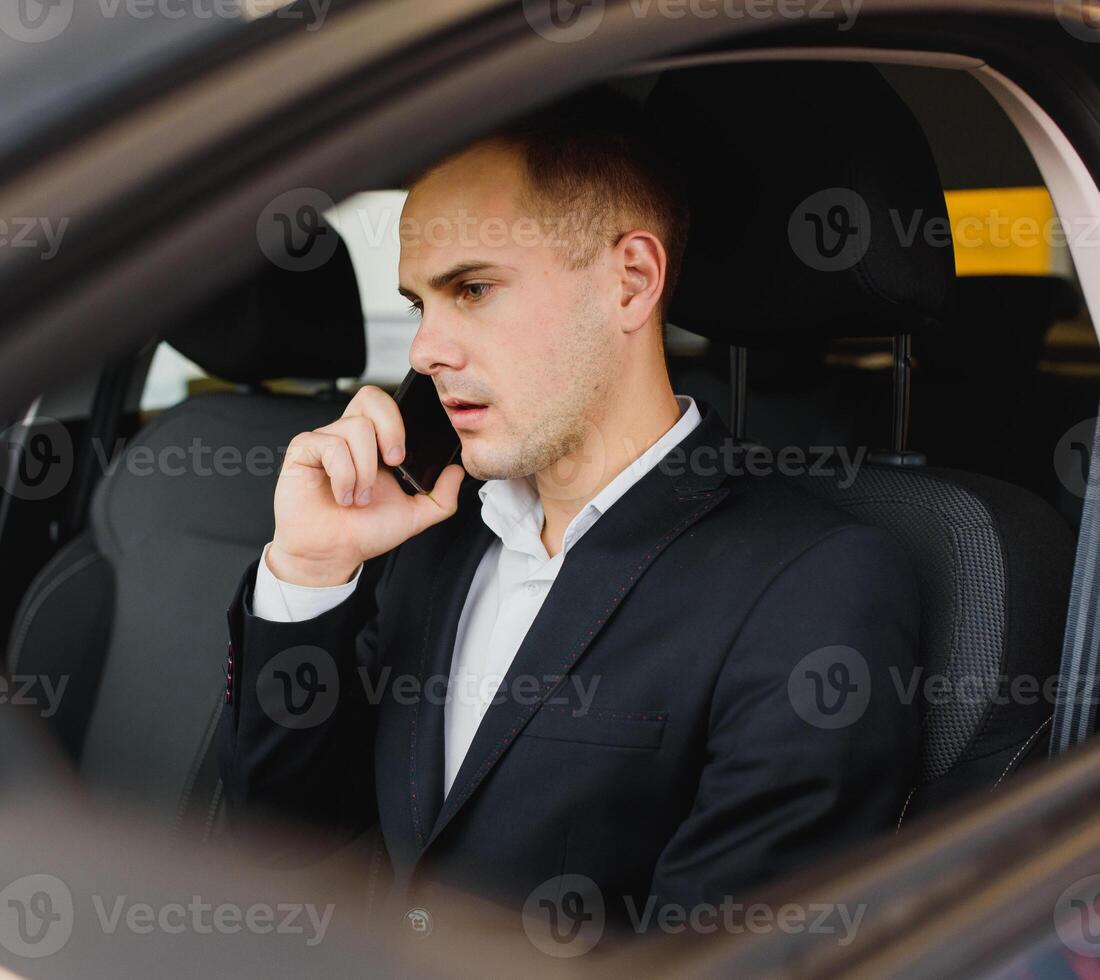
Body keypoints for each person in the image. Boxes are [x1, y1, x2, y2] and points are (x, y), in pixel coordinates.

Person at [215, 90, 920, 940]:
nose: (427, 351)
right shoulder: (424, 535)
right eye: (418, 305)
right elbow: (282, 831)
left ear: (631, 282)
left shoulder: (812, 584)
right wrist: (314, 571)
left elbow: (726, 960)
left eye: (472, 288)